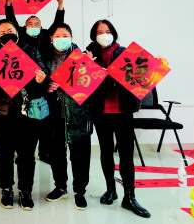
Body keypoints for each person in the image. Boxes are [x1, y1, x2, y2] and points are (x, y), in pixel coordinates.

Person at [0, 19, 49, 211]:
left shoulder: (32, 51)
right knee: (4, 153)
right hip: (2, 112)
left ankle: (26, 191)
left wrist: (41, 79)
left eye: (9, 30)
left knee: (27, 154)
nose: (6, 34)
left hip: (28, 112)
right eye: (1, 32)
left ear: (17, 31)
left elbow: (44, 78)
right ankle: (6, 189)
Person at [86, 20, 151, 218]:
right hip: (100, 111)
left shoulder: (124, 53)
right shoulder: (88, 54)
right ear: (94, 35)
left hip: (123, 110)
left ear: (113, 33)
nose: (103, 35)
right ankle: (111, 190)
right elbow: (81, 83)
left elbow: (141, 74)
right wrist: (87, 64)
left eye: (107, 31)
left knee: (126, 154)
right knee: (106, 151)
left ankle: (129, 197)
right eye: (99, 32)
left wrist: (152, 65)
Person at [5, 0, 65, 163]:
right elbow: (11, 22)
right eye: (29, 24)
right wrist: (8, 4)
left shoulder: (46, 36)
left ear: (41, 26)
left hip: (44, 81)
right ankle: (23, 153)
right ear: (24, 27)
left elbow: (58, 24)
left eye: (36, 23)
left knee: (45, 118)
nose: (33, 26)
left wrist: (60, 5)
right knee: (24, 120)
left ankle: (44, 152)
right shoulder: (21, 36)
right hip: (24, 83)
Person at [43, 23, 92, 211]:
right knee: (56, 153)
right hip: (54, 113)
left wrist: (90, 67)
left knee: (80, 155)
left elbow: (91, 85)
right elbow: (37, 83)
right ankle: (60, 187)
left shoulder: (82, 57)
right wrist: (47, 87)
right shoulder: (45, 58)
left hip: (78, 112)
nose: (61, 39)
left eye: (65, 35)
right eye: (57, 35)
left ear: (71, 38)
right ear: (51, 38)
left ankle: (80, 191)